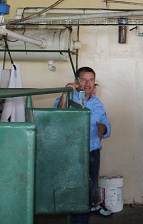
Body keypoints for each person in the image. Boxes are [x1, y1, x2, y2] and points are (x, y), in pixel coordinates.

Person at [55, 66, 112, 218]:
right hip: (72, 153)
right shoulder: (69, 98)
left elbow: (106, 123)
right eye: (84, 79)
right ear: (76, 82)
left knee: (90, 187)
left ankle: (88, 211)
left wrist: (103, 128)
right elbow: (58, 115)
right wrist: (65, 92)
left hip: (93, 152)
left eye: (91, 80)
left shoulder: (97, 103)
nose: (88, 83)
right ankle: (77, 217)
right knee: (75, 189)